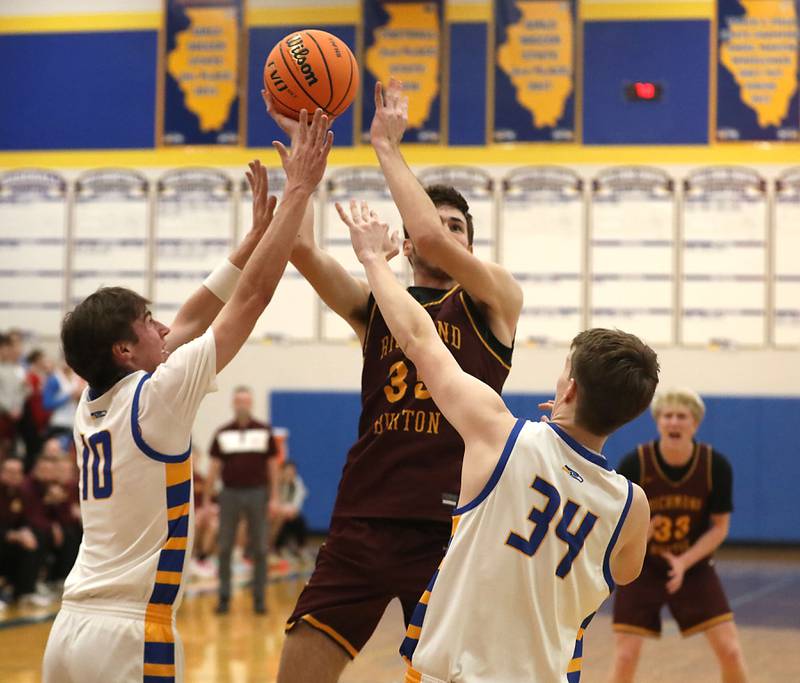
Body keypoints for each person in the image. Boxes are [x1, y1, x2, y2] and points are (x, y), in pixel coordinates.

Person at [41, 108, 333, 683]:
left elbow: (191, 318)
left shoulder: (92, 404)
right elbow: (250, 300)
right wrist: (299, 191)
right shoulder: (157, 399)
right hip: (130, 632)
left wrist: (249, 240)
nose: (163, 329)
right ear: (125, 350)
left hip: (69, 629)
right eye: (148, 323)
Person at [265, 79, 523, 682]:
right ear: (404, 244)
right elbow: (301, 252)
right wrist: (304, 174)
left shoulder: (495, 301)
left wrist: (385, 146)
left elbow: (431, 235)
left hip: (452, 527)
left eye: (458, 227)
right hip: (364, 516)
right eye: (433, 224)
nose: (443, 232)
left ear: (471, 247)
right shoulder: (376, 303)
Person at [342, 208, 655, 682]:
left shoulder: (501, 433)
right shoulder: (632, 506)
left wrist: (372, 259)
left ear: (567, 391)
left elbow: (418, 337)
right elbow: (624, 573)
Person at [607, 389, 748, 683]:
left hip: (693, 565)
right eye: (667, 416)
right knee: (625, 655)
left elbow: (720, 527)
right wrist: (641, 536)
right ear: (658, 422)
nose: (674, 422)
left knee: (731, 650)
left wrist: (684, 562)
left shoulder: (715, 466)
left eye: (681, 417)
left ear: (694, 424)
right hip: (641, 567)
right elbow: (616, 526)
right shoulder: (636, 463)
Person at [205, 385, 279, 614]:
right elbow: (214, 468)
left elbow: (273, 467)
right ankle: (224, 598)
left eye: (246, 401)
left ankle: (259, 599)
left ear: (251, 404)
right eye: (238, 401)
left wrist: (274, 496)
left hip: (257, 493)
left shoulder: (264, 431)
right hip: (229, 494)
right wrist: (208, 499)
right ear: (233, 404)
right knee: (225, 547)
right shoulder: (222, 433)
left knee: (260, 548)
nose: (242, 405)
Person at [0, 457, 52, 608]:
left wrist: (25, 531)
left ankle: (25, 592)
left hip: (11, 540)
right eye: (10, 472)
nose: (14, 476)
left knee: (36, 537)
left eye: (17, 472)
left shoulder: (20, 493)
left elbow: (25, 519)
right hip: (4, 538)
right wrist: (13, 535)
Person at [273, 460, 309, 558]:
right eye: (287, 472)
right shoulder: (274, 484)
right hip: (275, 514)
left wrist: (290, 511)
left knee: (299, 520)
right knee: (279, 520)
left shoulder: (297, 483)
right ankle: (277, 548)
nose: (289, 474)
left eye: (292, 472)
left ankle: (301, 548)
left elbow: (297, 502)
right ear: (281, 472)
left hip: (289, 514)